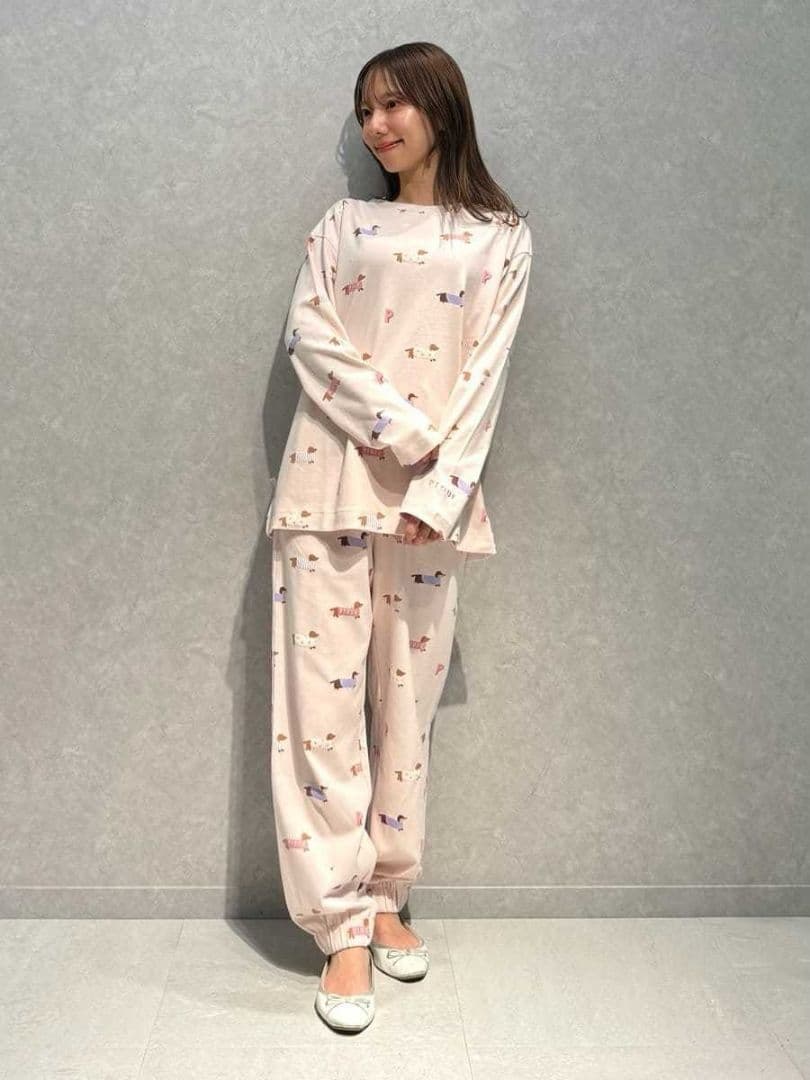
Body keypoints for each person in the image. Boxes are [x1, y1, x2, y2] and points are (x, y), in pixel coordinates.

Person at [267, 41, 533, 1032]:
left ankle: (386, 895)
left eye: (396, 105)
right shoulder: (343, 224)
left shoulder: (501, 237)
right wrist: (412, 439)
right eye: (366, 109)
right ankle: (339, 926)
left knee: (405, 711)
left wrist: (444, 483)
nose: (378, 126)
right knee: (320, 714)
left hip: (430, 505)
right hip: (325, 489)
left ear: (441, 107)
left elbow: (487, 373)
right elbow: (310, 336)